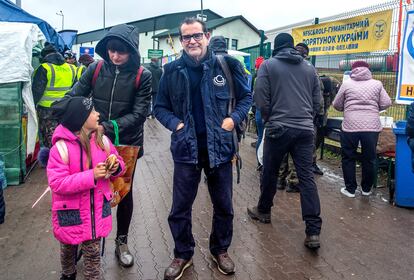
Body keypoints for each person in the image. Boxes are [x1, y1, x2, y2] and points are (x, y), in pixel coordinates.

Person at [154, 18, 252, 279]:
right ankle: (182, 253)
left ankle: (220, 250)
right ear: (181, 40)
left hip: (220, 150)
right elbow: (159, 107)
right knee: (180, 207)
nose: (192, 41)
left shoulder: (227, 66)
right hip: (187, 150)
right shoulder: (172, 71)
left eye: (196, 35)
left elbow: (246, 97)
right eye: (186, 37)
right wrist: (175, 125)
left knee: (224, 206)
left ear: (207, 36)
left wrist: (233, 119)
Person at [68, 24, 152, 267]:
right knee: (89, 189)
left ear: (132, 52)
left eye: (121, 52)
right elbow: (76, 94)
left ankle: (121, 241)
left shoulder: (142, 75)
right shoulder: (95, 68)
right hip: (94, 142)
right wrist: (65, 111)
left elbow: (139, 114)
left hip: (126, 143)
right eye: (112, 51)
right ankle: (87, 238)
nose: (115, 56)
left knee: (123, 193)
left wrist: (106, 126)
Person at [247, 33, 322, 250]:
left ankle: (264, 211)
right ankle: (313, 231)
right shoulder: (309, 68)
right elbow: (317, 101)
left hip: (278, 128)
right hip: (305, 130)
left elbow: (260, 98)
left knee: (270, 172)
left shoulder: (268, 66)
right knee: (306, 177)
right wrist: (307, 119)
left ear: (276, 47)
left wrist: (270, 117)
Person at [47, 96, 125, 280]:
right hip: (70, 213)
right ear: (80, 119)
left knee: (93, 256)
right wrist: (91, 176)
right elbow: (57, 183)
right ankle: (68, 274)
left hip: (96, 213)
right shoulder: (60, 148)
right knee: (68, 250)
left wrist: (116, 167)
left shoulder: (103, 141)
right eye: (92, 111)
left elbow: (118, 160)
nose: (97, 114)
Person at [333, 61, 391, 198]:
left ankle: (350, 190)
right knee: (370, 158)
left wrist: (347, 109)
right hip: (371, 127)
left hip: (350, 126)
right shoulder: (377, 84)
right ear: (368, 70)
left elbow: (336, 104)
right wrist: (374, 109)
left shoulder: (347, 84)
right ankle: (366, 189)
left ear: (353, 70)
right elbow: (387, 102)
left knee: (348, 157)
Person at [32, 43, 77, 165]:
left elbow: (37, 91)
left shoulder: (44, 68)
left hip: (47, 109)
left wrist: (31, 106)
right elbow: (76, 88)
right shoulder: (71, 68)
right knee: (66, 134)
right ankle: (69, 158)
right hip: (65, 107)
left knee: (50, 136)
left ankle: (55, 162)